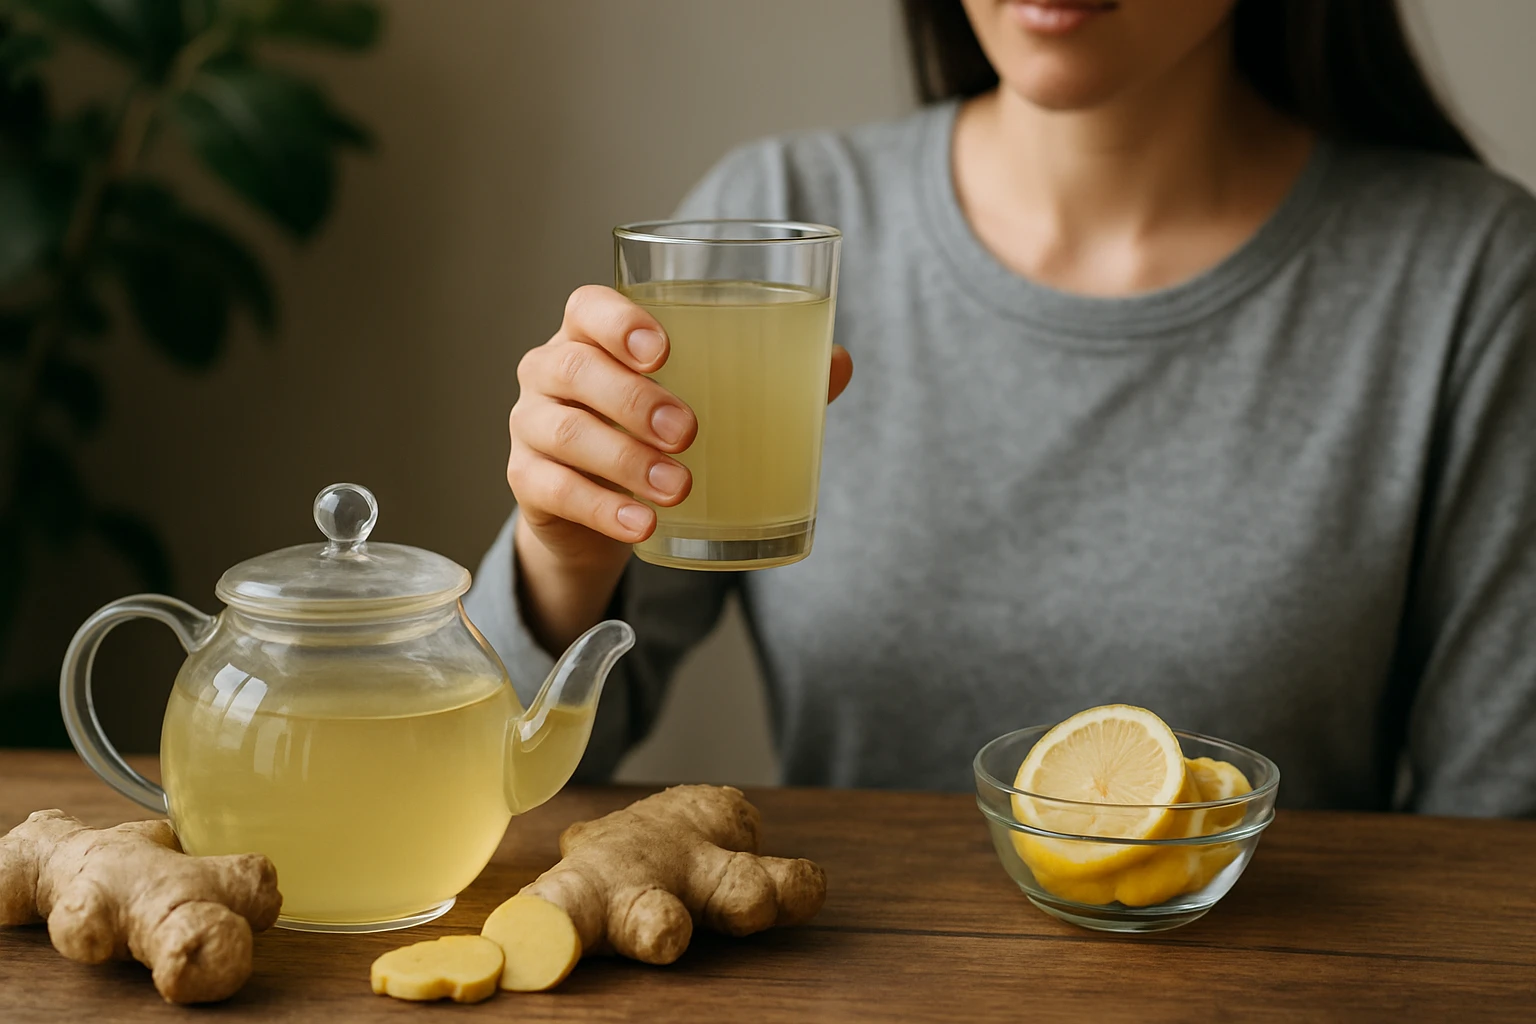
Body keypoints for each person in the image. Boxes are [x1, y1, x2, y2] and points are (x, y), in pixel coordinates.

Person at [465, 0, 1536, 815]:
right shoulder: (777, 225)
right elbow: (499, 775)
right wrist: (561, 561)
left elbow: (1500, 849)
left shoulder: (1470, 278)